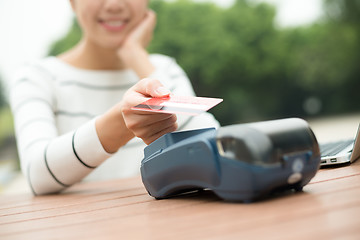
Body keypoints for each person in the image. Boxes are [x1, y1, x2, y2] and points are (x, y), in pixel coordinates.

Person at [9, 0, 219, 195]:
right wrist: (122, 121)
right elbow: (36, 173)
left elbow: (216, 149)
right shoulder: (37, 78)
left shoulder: (165, 69)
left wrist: (135, 55)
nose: (114, 5)